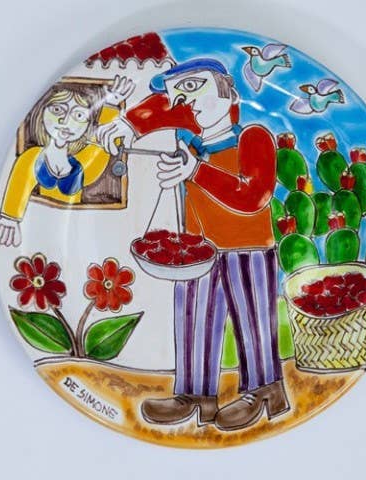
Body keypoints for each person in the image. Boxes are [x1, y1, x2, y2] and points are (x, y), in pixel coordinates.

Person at [97, 59, 290, 431]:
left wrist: (196, 171)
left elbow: (254, 196)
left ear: (228, 92)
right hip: (196, 251)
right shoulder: (189, 142)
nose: (188, 101)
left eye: (195, 87)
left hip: (247, 248)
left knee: (253, 318)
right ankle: (195, 395)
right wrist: (127, 124)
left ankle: (265, 390)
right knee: (195, 318)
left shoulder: (252, 137)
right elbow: (161, 110)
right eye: (179, 95)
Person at [0, 76, 135, 247]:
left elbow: (102, 146)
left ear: (87, 125)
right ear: (41, 112)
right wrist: (10, 218)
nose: (66, 121)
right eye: (57, 110)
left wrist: (111, 106)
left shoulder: (83, 165)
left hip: (75, 236)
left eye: (79, 115)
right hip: (37, 231)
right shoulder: (32, 157)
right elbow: (19, 183)